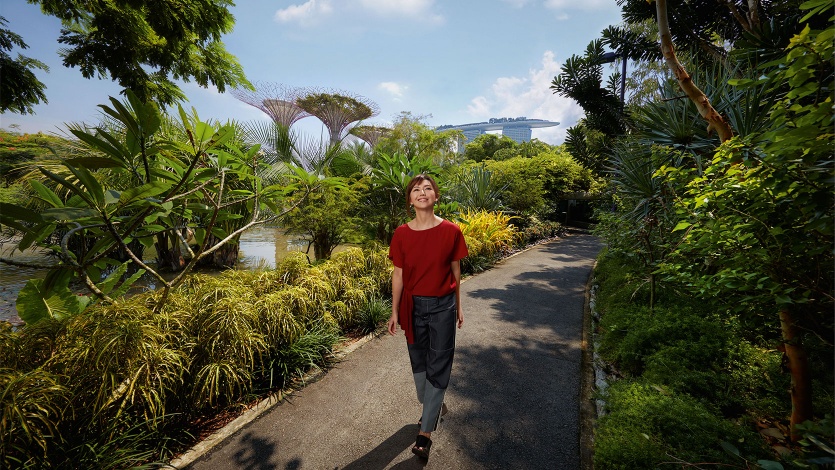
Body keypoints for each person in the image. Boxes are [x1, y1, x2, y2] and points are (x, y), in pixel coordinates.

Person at [387, 173, 469, 460]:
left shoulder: (451, 231)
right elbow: (398, 274)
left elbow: (456, 272)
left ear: (435, 196)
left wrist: (458, 306)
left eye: (428, 188)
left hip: (443, 305)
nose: (422, 192)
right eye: (416, 189)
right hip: (412, 306)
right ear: (410, 199)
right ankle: (434, 405)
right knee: (418, 361)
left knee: (439, 362)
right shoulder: (401, 233)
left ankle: (425, 432)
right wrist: (394, 310)